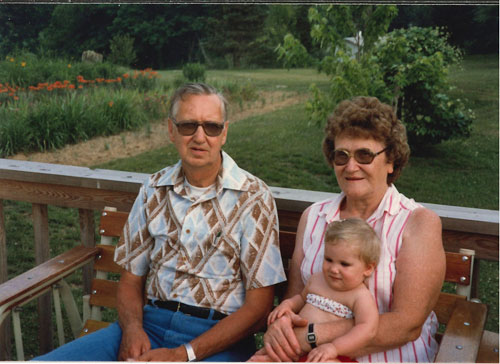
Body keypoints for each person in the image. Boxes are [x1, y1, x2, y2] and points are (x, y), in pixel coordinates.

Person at [34, 83, 286, 362]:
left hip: (218, 339)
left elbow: (259, 308)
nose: (200, 137)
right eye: (188, 125)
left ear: (224, 132)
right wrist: (132, 330)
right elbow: (130, 280)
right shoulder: (154, 189)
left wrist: (183, 354)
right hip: (149, 325)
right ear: (171, 130)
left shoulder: (253, 197)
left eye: (211, 127)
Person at [259, 96, 446, 363]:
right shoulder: (313, 217)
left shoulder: (417, 224)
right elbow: (296, 300)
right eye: (341, 156)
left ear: (391, 160)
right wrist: (279, 330)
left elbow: (406, 325)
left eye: (364, 155)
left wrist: (310, 337)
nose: (351, 166)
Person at [250, 218, 380, 362]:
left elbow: (367, 329)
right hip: (294, 350)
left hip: (331, 354)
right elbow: (300, 298)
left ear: (368, 268)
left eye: (344, 264)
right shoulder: (317, 280)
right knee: (257, 360)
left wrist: (334, 348)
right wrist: (288, 305)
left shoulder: (360, 296)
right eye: (329, 259)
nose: (334, 269)